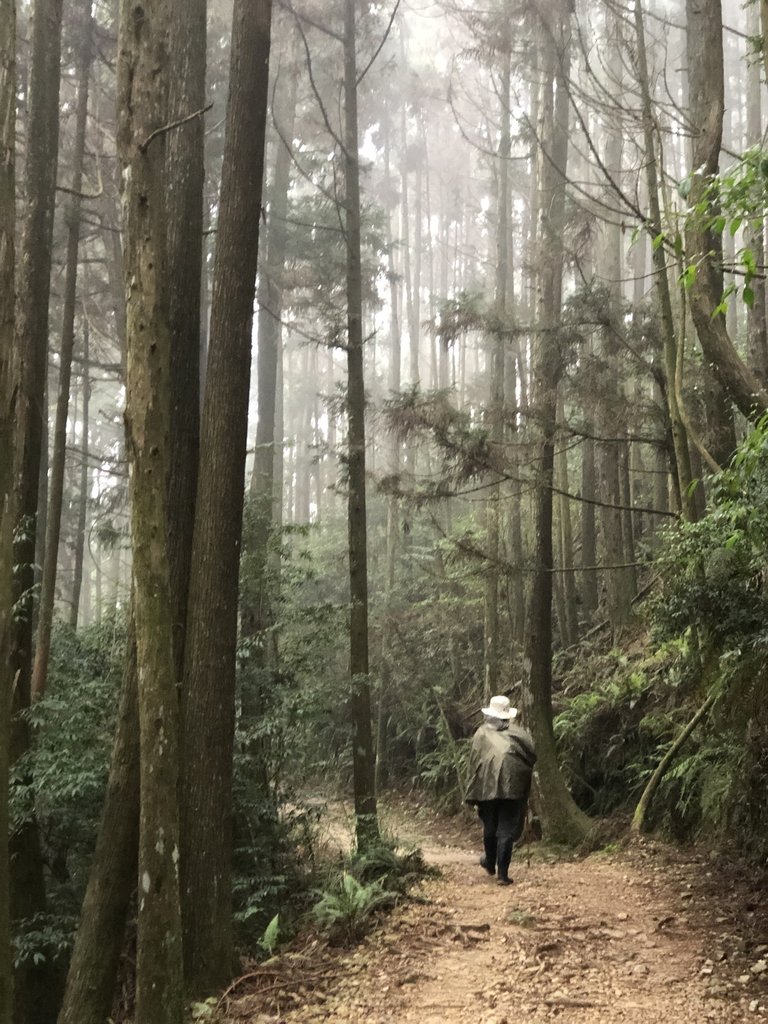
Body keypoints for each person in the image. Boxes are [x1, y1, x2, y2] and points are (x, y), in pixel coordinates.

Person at [465, 694, 536, 886]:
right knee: (505, 828)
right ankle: (502, 875)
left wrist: (472, 789)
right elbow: (531, 756)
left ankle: (490, 862)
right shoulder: (519, 734)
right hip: (513, 787)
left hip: (486, 788)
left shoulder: (481, 733)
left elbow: (474, 763)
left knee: (490, 825)